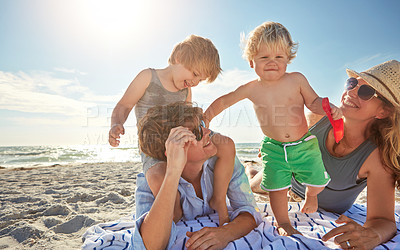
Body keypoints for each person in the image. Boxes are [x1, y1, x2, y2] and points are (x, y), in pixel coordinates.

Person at [204, 21, 341, 236]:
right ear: (252, 61)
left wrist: (327, 107)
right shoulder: (251, 88)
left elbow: (313, 102)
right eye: (264, 57)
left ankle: (311, 195)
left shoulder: (296, 80)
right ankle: (284, 223)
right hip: (274, 148)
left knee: (317, 182)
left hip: (303, 144)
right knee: (277, 188)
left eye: (279, 57)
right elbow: (224, 101)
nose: (272, 62)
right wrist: (207, 117)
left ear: (288, 59)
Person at [246, 59, 400, 249]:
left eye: (366, 92)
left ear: (383, 111)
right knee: (252, 184)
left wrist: (373, 235)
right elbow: (285, 133)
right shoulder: (318, 117)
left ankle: (251, 169)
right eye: (352, 83)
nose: (351, 91)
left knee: (255, 182)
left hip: (323, 206)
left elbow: (383, 220)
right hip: (288, 180)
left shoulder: (376, 157)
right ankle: (250, 169)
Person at [108, 34, 235, 225]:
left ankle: (218, 196)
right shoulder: (148, 77)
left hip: (182, 142)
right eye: (194, 74)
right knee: (159, 177)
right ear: (178, 58)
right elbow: (124, 105)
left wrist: (201, 128)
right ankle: (174, 212)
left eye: (200, 80)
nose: (195, 82)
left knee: (227, 145)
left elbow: (189, 117)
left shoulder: (185, 90)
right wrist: (116, 124)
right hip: (154, 147)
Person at [133, 102, 262, 249]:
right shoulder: (152, 180)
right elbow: (149, 245)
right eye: (197, 132)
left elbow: (250, 211)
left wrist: (226, 233)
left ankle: (250, 168)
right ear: (173, 149)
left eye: (202, 124)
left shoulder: (223, 162)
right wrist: (173, 172)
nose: (208, 132)